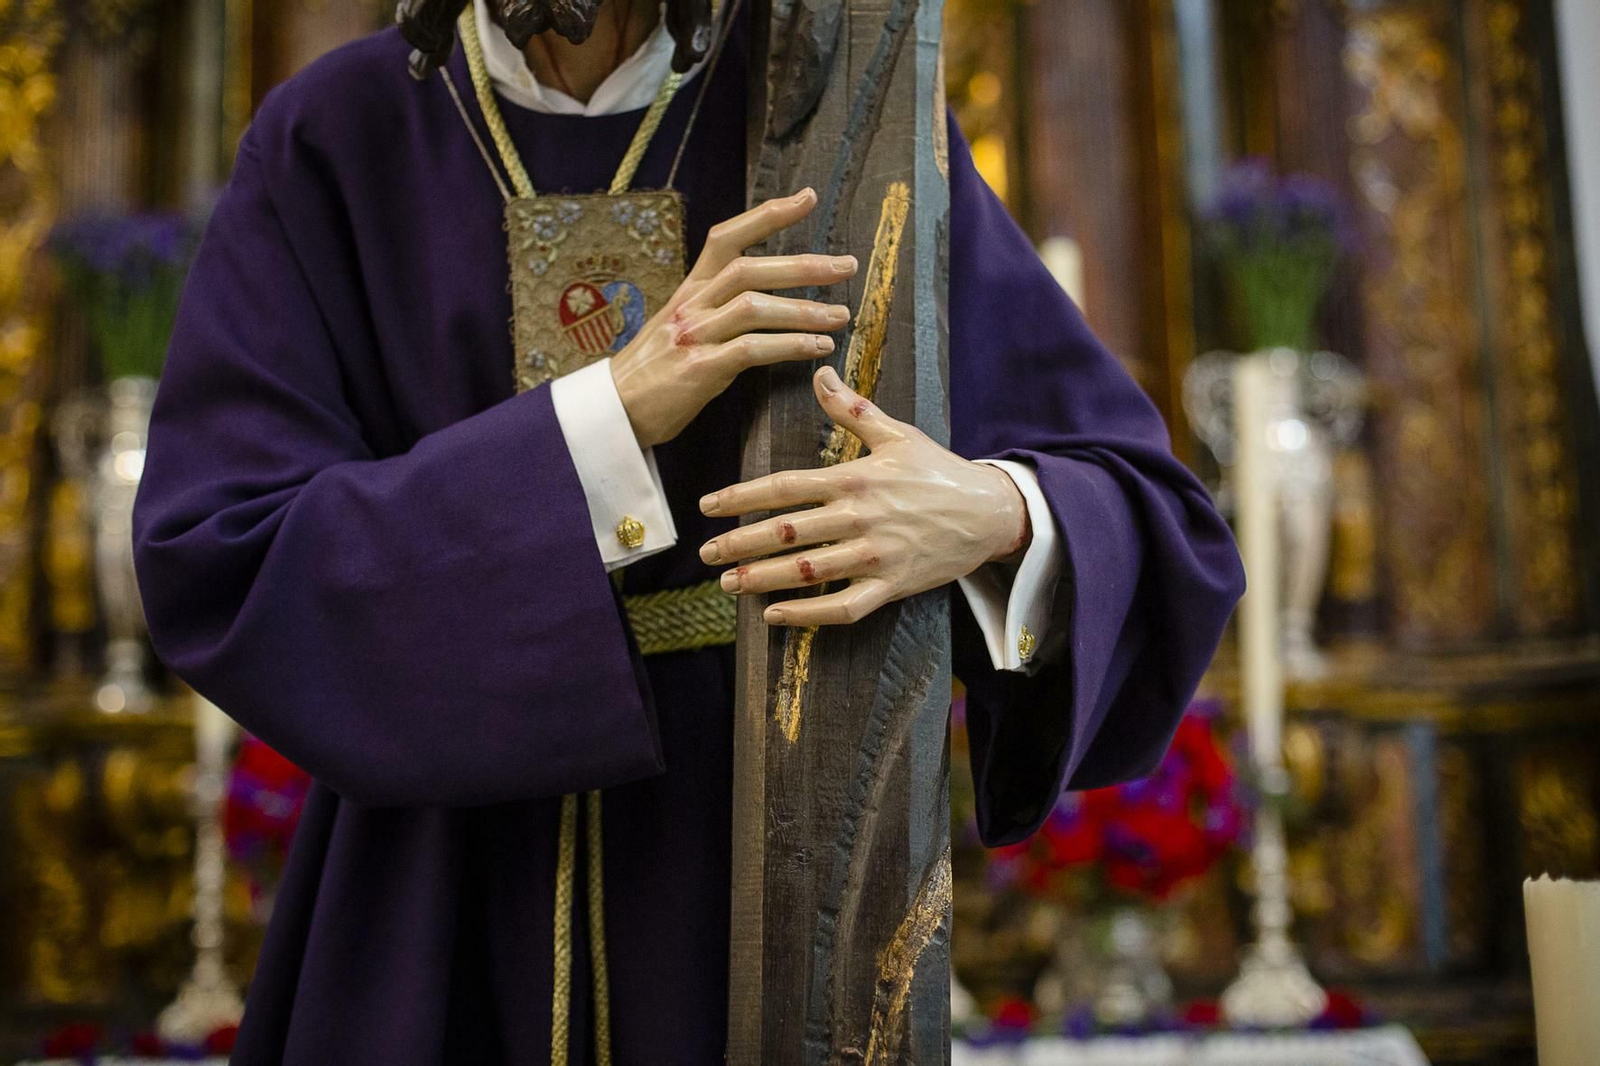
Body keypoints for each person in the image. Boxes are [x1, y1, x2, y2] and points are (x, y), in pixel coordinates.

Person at [131, 0, 1245, 1062]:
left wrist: (990, 513)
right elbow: (224, 554)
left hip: (774, 878)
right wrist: (607, 420)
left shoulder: (840, 111)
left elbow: (1147, 516)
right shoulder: (333, 134)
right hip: (432, 902)